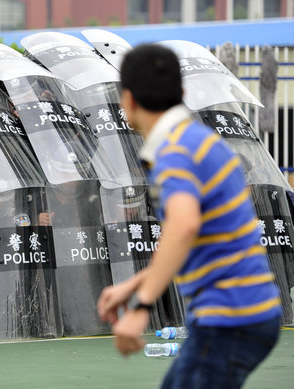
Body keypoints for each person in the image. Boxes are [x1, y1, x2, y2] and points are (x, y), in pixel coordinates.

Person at [97, 44, 282, 388]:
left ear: (128, 101)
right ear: (181, 93)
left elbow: (183, 226)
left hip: (229, 316)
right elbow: (198, 236)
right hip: (245, 310)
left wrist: (141, 308)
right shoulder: (201, 141)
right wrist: (134, 285)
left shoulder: (172, 151)